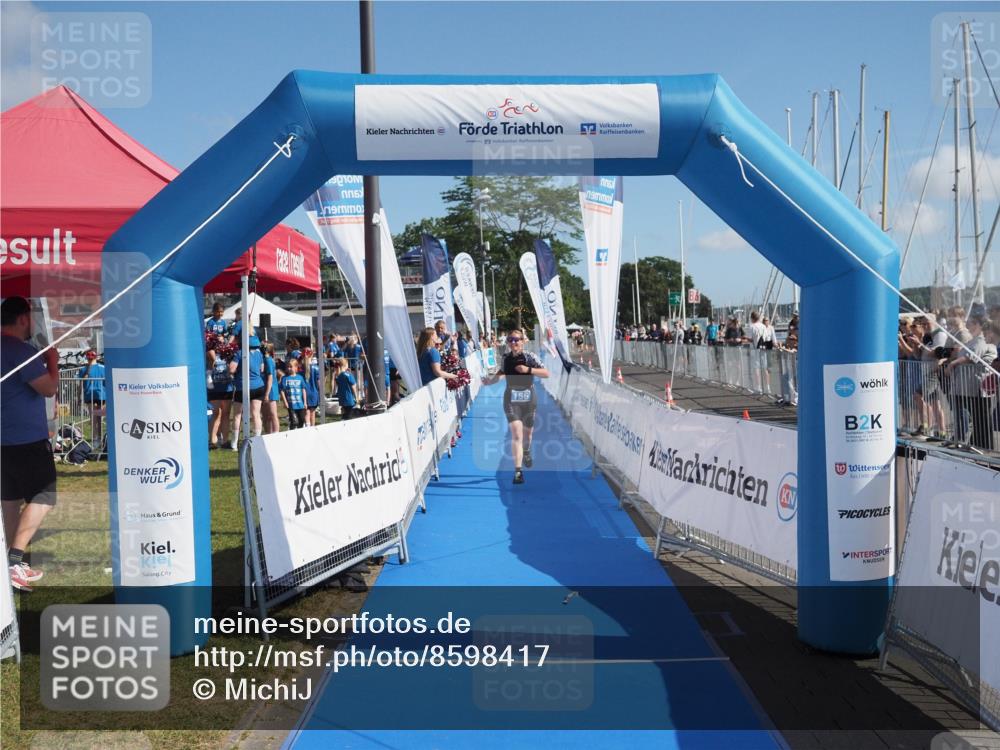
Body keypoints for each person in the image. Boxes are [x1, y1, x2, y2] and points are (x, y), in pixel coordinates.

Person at [1, 296, 59, 591]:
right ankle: (14, 560)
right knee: (45, 496)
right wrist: (53, 362)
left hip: (4, 442)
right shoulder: (21, 351)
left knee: (10, 501)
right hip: (26, 440)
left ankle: (10, 565)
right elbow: (48, 388)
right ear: (23, 319)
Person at [482, 330, 549, 484]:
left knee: (528, 434)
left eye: (516, 339)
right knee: (517, 435)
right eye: (510, 339)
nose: (513, 342)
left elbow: (546, 373)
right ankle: (518, 471)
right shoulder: (505, 358)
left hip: (529, 399)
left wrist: (528, 370)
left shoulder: (530, 357)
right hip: (511, 399)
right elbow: (502, 373)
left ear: (523, 341)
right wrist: (490, 381)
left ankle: (527, 451)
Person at [229, 334, 268, 449]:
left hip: (243, 387)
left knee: (237, 415)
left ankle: (234, 443)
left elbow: (232, 369)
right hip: (258, 386)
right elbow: (262, 369)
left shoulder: (239, 353)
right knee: (256, 414)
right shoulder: (259, 354)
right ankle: (257, 440)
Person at [207, 335, 234, 448]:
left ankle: (225, 441)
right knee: (216, 414)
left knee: (226, 414)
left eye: (222, 341)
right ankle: (212, 441)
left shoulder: (229, 354)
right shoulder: (210, 353)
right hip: (215, 387)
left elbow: (232, 368)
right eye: (218, 342)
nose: (221, 344)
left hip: (227, 387)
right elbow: (209, 366)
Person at [78, 350, 107, 449]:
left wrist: (78, 397)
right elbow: (106, 383)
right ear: (97, 357)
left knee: (93, 418)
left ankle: (96, 439)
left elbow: (80, 386)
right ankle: (100, 438)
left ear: (86, 358)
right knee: (99, 418)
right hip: (101, 395)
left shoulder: (83, 369)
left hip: (90, 395)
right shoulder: (103, 368)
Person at [280, 358, 308, 429]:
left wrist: (305, 402)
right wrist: (285, 402)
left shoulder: (300, 378)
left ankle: (299, 432)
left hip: (300, 404)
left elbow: (303, 389)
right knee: (294, 421)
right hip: (291, 405)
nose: (289, 368)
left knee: (302, 420)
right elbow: (282, 391)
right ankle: (292, 430)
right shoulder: (285, 378)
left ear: (296, 367)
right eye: (287, 367)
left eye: (290, 367)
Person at [262, 342, 281, 434]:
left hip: (271, 390)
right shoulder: (264, 360)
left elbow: (270, 378)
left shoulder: (268, 360)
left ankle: (276, 433)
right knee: (265, 416)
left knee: (273, 414)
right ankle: (268, 434)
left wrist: (267, 394)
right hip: (265, 389)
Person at [303, 348, 321, 426]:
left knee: (306, 412)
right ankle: (312, 427)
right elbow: (319, 382)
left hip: (304, 393)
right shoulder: (316, 368)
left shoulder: (301, 368)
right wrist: (321, 392)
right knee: (312, 413)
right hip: (314, 393)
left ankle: (307, 427)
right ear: (312, 355)